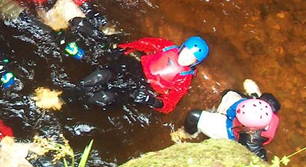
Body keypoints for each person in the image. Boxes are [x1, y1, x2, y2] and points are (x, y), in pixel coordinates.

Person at [64, 35, 209, 114]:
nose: (186, 58)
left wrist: (151, 101)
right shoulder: (167, 47)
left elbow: (170, 104)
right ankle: (71, 92)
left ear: (195, 63)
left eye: (192, 58)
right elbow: (143, 43)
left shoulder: (184, 79)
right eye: (186, 52)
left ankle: (75, 104)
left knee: (104, 97)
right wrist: (123, 49)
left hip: (142, 88)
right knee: (100, 76)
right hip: (133, 68)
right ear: (182, 47)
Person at [184, 82, 280, 161]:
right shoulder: (267, 105)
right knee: (228, 93)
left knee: (194, 116)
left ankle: (189, 134)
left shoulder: (250, 139)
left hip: (230, 130)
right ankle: (253, 95)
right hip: (239, 117)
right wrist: (254, 96)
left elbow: (260, 159)